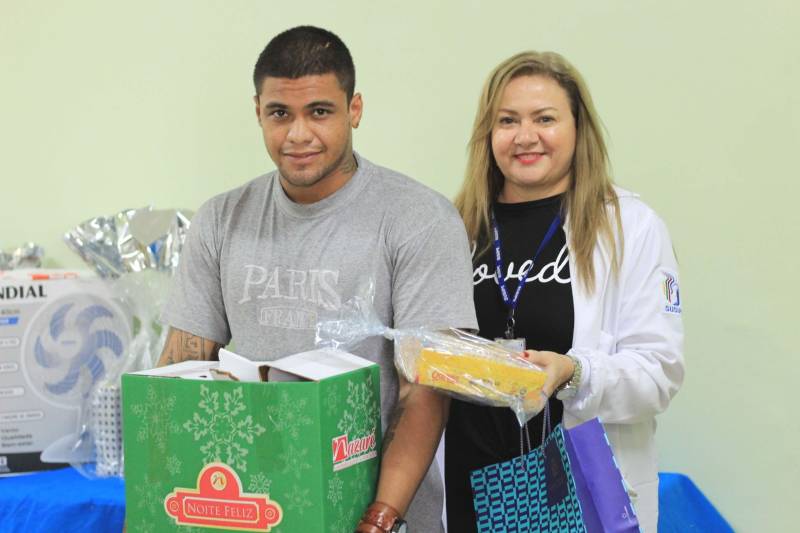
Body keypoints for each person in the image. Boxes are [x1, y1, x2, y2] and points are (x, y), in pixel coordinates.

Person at [158, 26, 477, 533]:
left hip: (379, 514)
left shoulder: (419, 219)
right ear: (258, 111)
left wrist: (380, 519)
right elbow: (179, 379)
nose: (298, 134)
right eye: (280, 113)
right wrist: (159, 503)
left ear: (354, 110)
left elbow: (425, 395)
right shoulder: (221, 219)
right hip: (249, 510)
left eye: (320, 112)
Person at [445, 51, 684, 533]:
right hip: (468, 487)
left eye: (545, 119)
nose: (525, 136)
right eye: (507, 120)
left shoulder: (629, 227)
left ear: (579, 129)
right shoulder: (458, 227)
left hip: (573, 492)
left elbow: (660, 372)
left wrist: (574, 372)